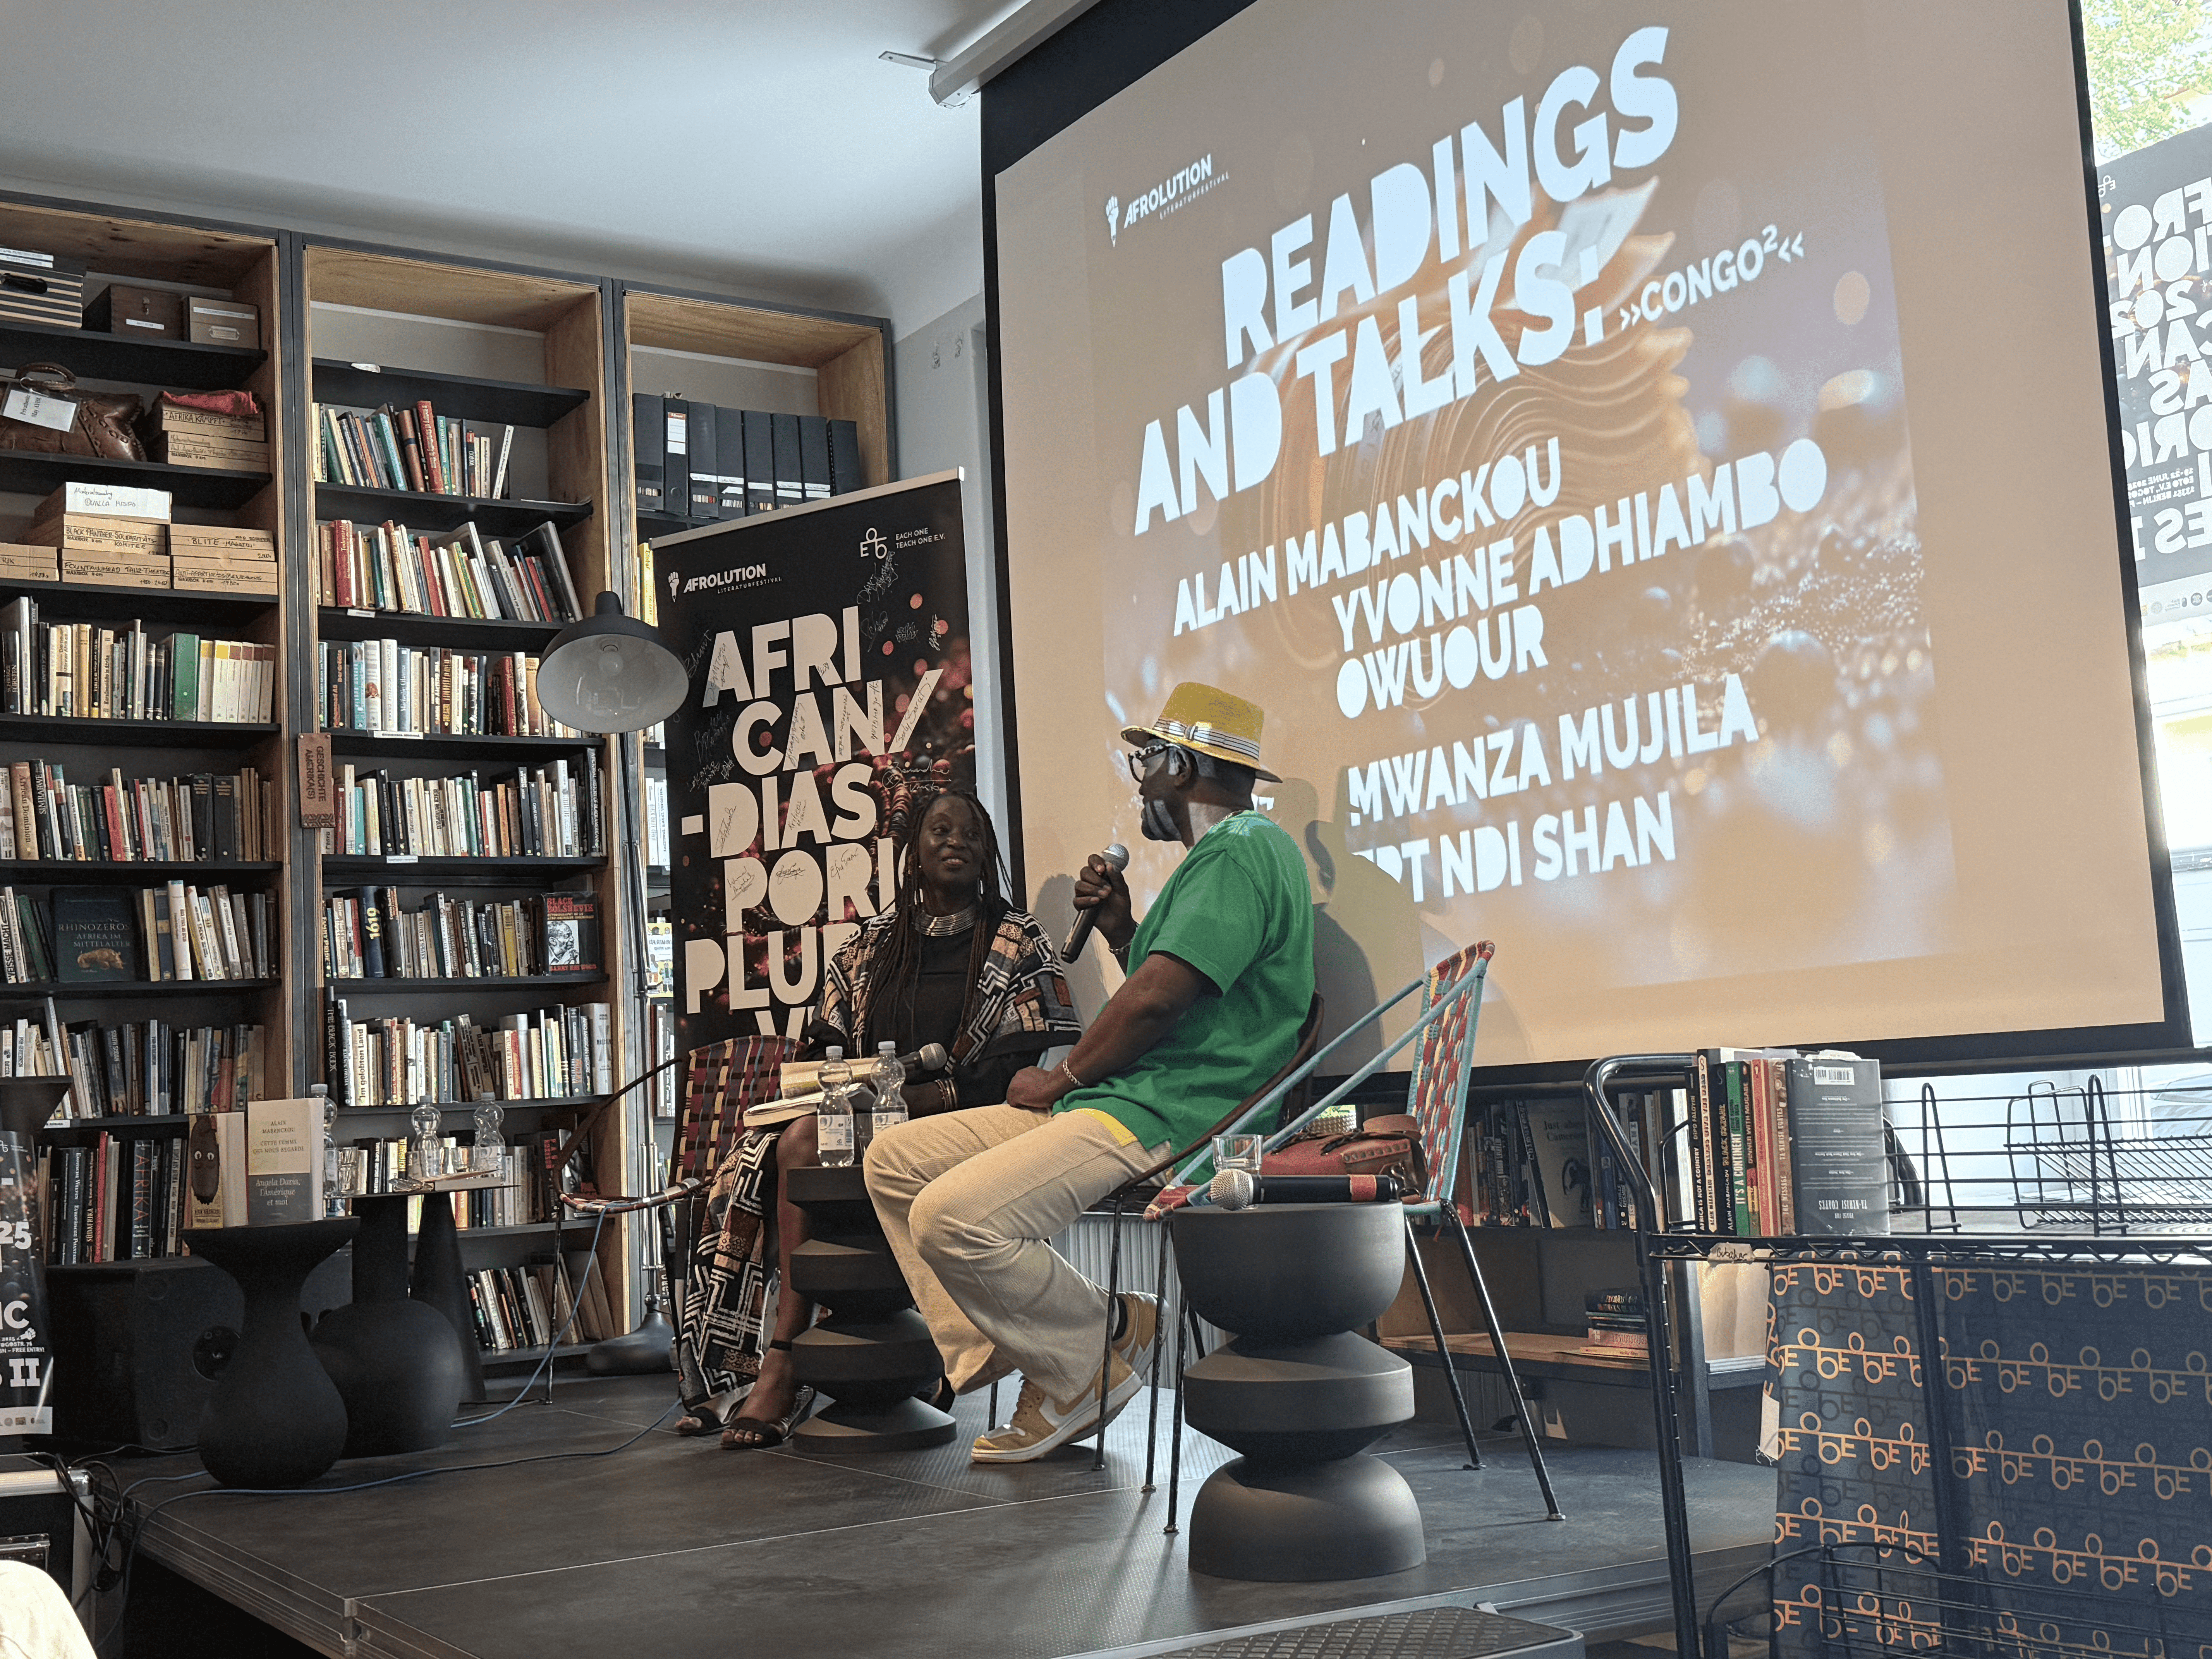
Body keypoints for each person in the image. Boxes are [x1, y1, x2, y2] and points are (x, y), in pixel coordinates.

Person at [866, 683, 1316, 1463]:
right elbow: (1177, 982)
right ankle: (1085, 1338)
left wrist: (1062, 1077)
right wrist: (1122, 928)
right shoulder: (1221, 859)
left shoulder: (1241, 850)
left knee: (951, 1218)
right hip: (1126, 1097)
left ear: (1178, 764)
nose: (1139, 785)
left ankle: (1080, 1370)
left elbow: (1155, 1004)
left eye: (1146, 764)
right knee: (894, 1161)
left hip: (1165, 1113)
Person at [693, 787, 1083, 1450]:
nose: (955, 840)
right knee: (792, 1143)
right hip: (875, 1117)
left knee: (839, 1144)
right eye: (939, 830)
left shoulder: (1017, 941)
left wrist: (916, 1104)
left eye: (969, 833)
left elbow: (1019, 1071)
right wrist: (843, 1073)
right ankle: (782, 1358)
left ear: (987, 851)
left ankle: (937, 1353)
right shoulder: (874, 943)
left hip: (970, 1124)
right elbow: (829, 1043)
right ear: (913, 854)